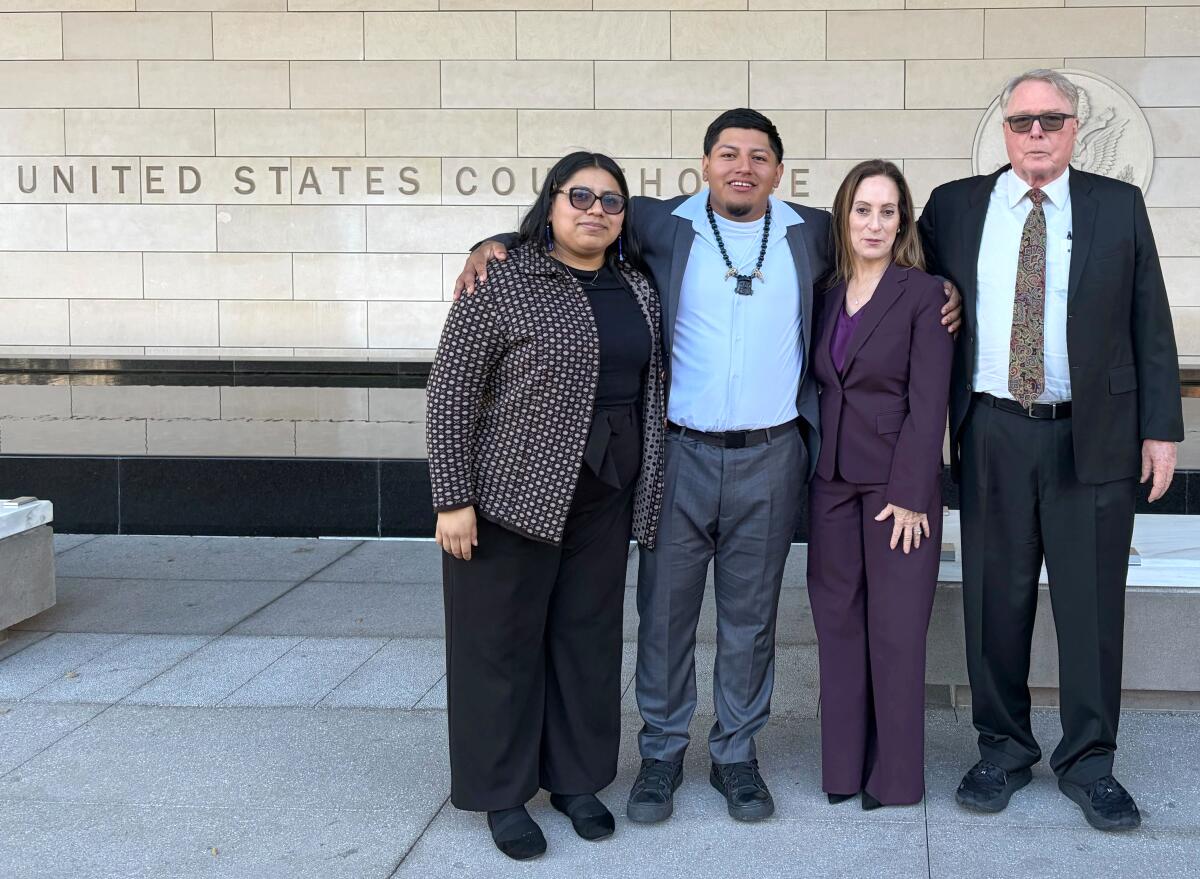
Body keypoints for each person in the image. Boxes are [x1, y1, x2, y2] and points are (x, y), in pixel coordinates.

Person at [456, 109, 962, 825]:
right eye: (729, 153)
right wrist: (496, 242)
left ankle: (736, 754)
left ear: (780, 171)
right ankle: (661, 754)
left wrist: (947, 288)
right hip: (677, 451)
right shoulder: (661, 224)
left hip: (773, 452)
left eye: (759, 156)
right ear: (705, 163)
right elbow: (574, 224)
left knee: (751, 617)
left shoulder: (813, 231)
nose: (743, 166)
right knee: (664, 611)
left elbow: (887, 248)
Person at [918, 69, 1183, 831]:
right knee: (994, 601)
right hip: (993, 429)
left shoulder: (1116, 205)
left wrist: (1160, 428)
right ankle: (1002, 748)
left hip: (1092, 434)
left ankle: (1090, 759)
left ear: (1074, 128)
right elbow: (910, 289)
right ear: (1005, 129)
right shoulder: (955, 207)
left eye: (1052, 120)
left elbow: (1151, 321)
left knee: (1091, 605)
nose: (1036, 132)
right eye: (1024, 120)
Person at [426, 151, 665, 859]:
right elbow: (451, 390)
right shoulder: (501, 277)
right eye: (580, 195)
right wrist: (453, 498)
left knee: (587, 641)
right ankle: (502, 792)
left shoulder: (638, 285)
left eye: (611, 200)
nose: (595, 209)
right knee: (497, 647)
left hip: (605, 493)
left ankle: (576, 779)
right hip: (509, 495)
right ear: (552, 203)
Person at [807, 160, 953, 810]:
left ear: (903, 221)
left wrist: (912, 491)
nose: (874, 222)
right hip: (831, 482)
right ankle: (842, 769)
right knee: (837, 627)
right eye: (863, 209)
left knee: (895, 633)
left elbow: (930, 402)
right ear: (844, 215)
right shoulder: (825, 291)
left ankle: (894, 778)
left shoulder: (924, 294)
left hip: (898, 487)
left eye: (887, 211)